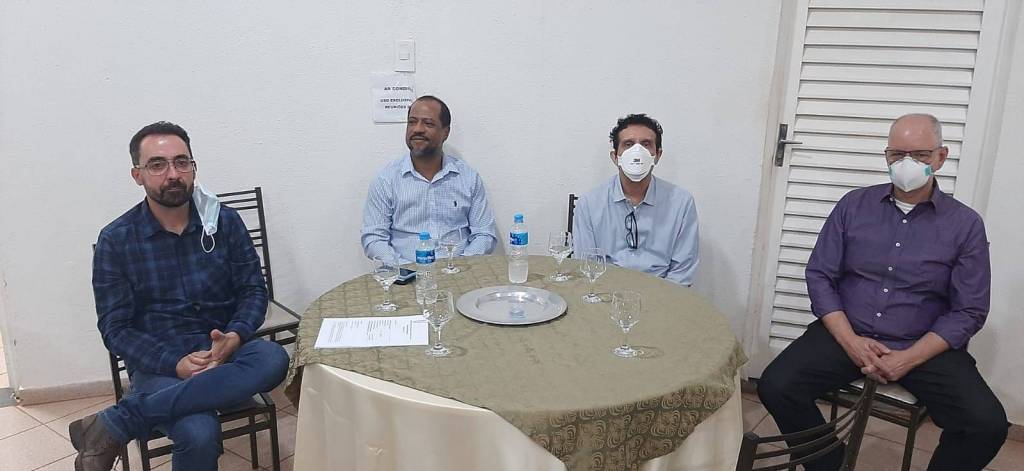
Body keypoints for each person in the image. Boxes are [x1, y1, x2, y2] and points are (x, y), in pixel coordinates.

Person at [757, 113, 1007, 471]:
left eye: (919, 155)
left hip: (921, 343)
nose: (906, 163)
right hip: (850, 332)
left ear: (940, 157)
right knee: (776, 385)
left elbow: (969, 309)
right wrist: (851, 341)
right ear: (886, 156)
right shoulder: (853, 205)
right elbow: (821, 275)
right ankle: (831, 462)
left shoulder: (964, 225)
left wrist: (908, 358)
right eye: (897, 154)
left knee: (986, 425)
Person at [70, 121, 289, 471]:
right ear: (137, 175)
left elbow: (252, 291)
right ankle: (127, 418)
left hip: (225, 351)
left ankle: (120, 420)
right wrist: (175, 362)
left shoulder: (225, 223)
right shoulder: (117, 240)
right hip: (161, 363)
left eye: (182, 162)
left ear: (193, 167)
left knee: (274, 358)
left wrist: (234, 336)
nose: (173, 174)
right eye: (157, 165)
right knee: (198, 433)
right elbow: (115, 329)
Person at [361, 95, 498, 264]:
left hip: (459, 271)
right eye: (412, 122)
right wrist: (407, 270)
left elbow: (484, 234)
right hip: (405, 272)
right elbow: (374, 238)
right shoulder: (386, 180)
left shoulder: (468, 178)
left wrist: (462, 267)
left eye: (428, 123)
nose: (418, 129)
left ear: (445, 132)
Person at [572, 113, 699, 285]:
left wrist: (660, 298)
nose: (637, 152)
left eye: (646, 144)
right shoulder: (589, 204)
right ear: (615, 156)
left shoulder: (682, 203)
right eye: (628, 144)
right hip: (606, 292)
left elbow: (682, 272)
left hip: (662, 292)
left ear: (657, 155)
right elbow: (587, 265)